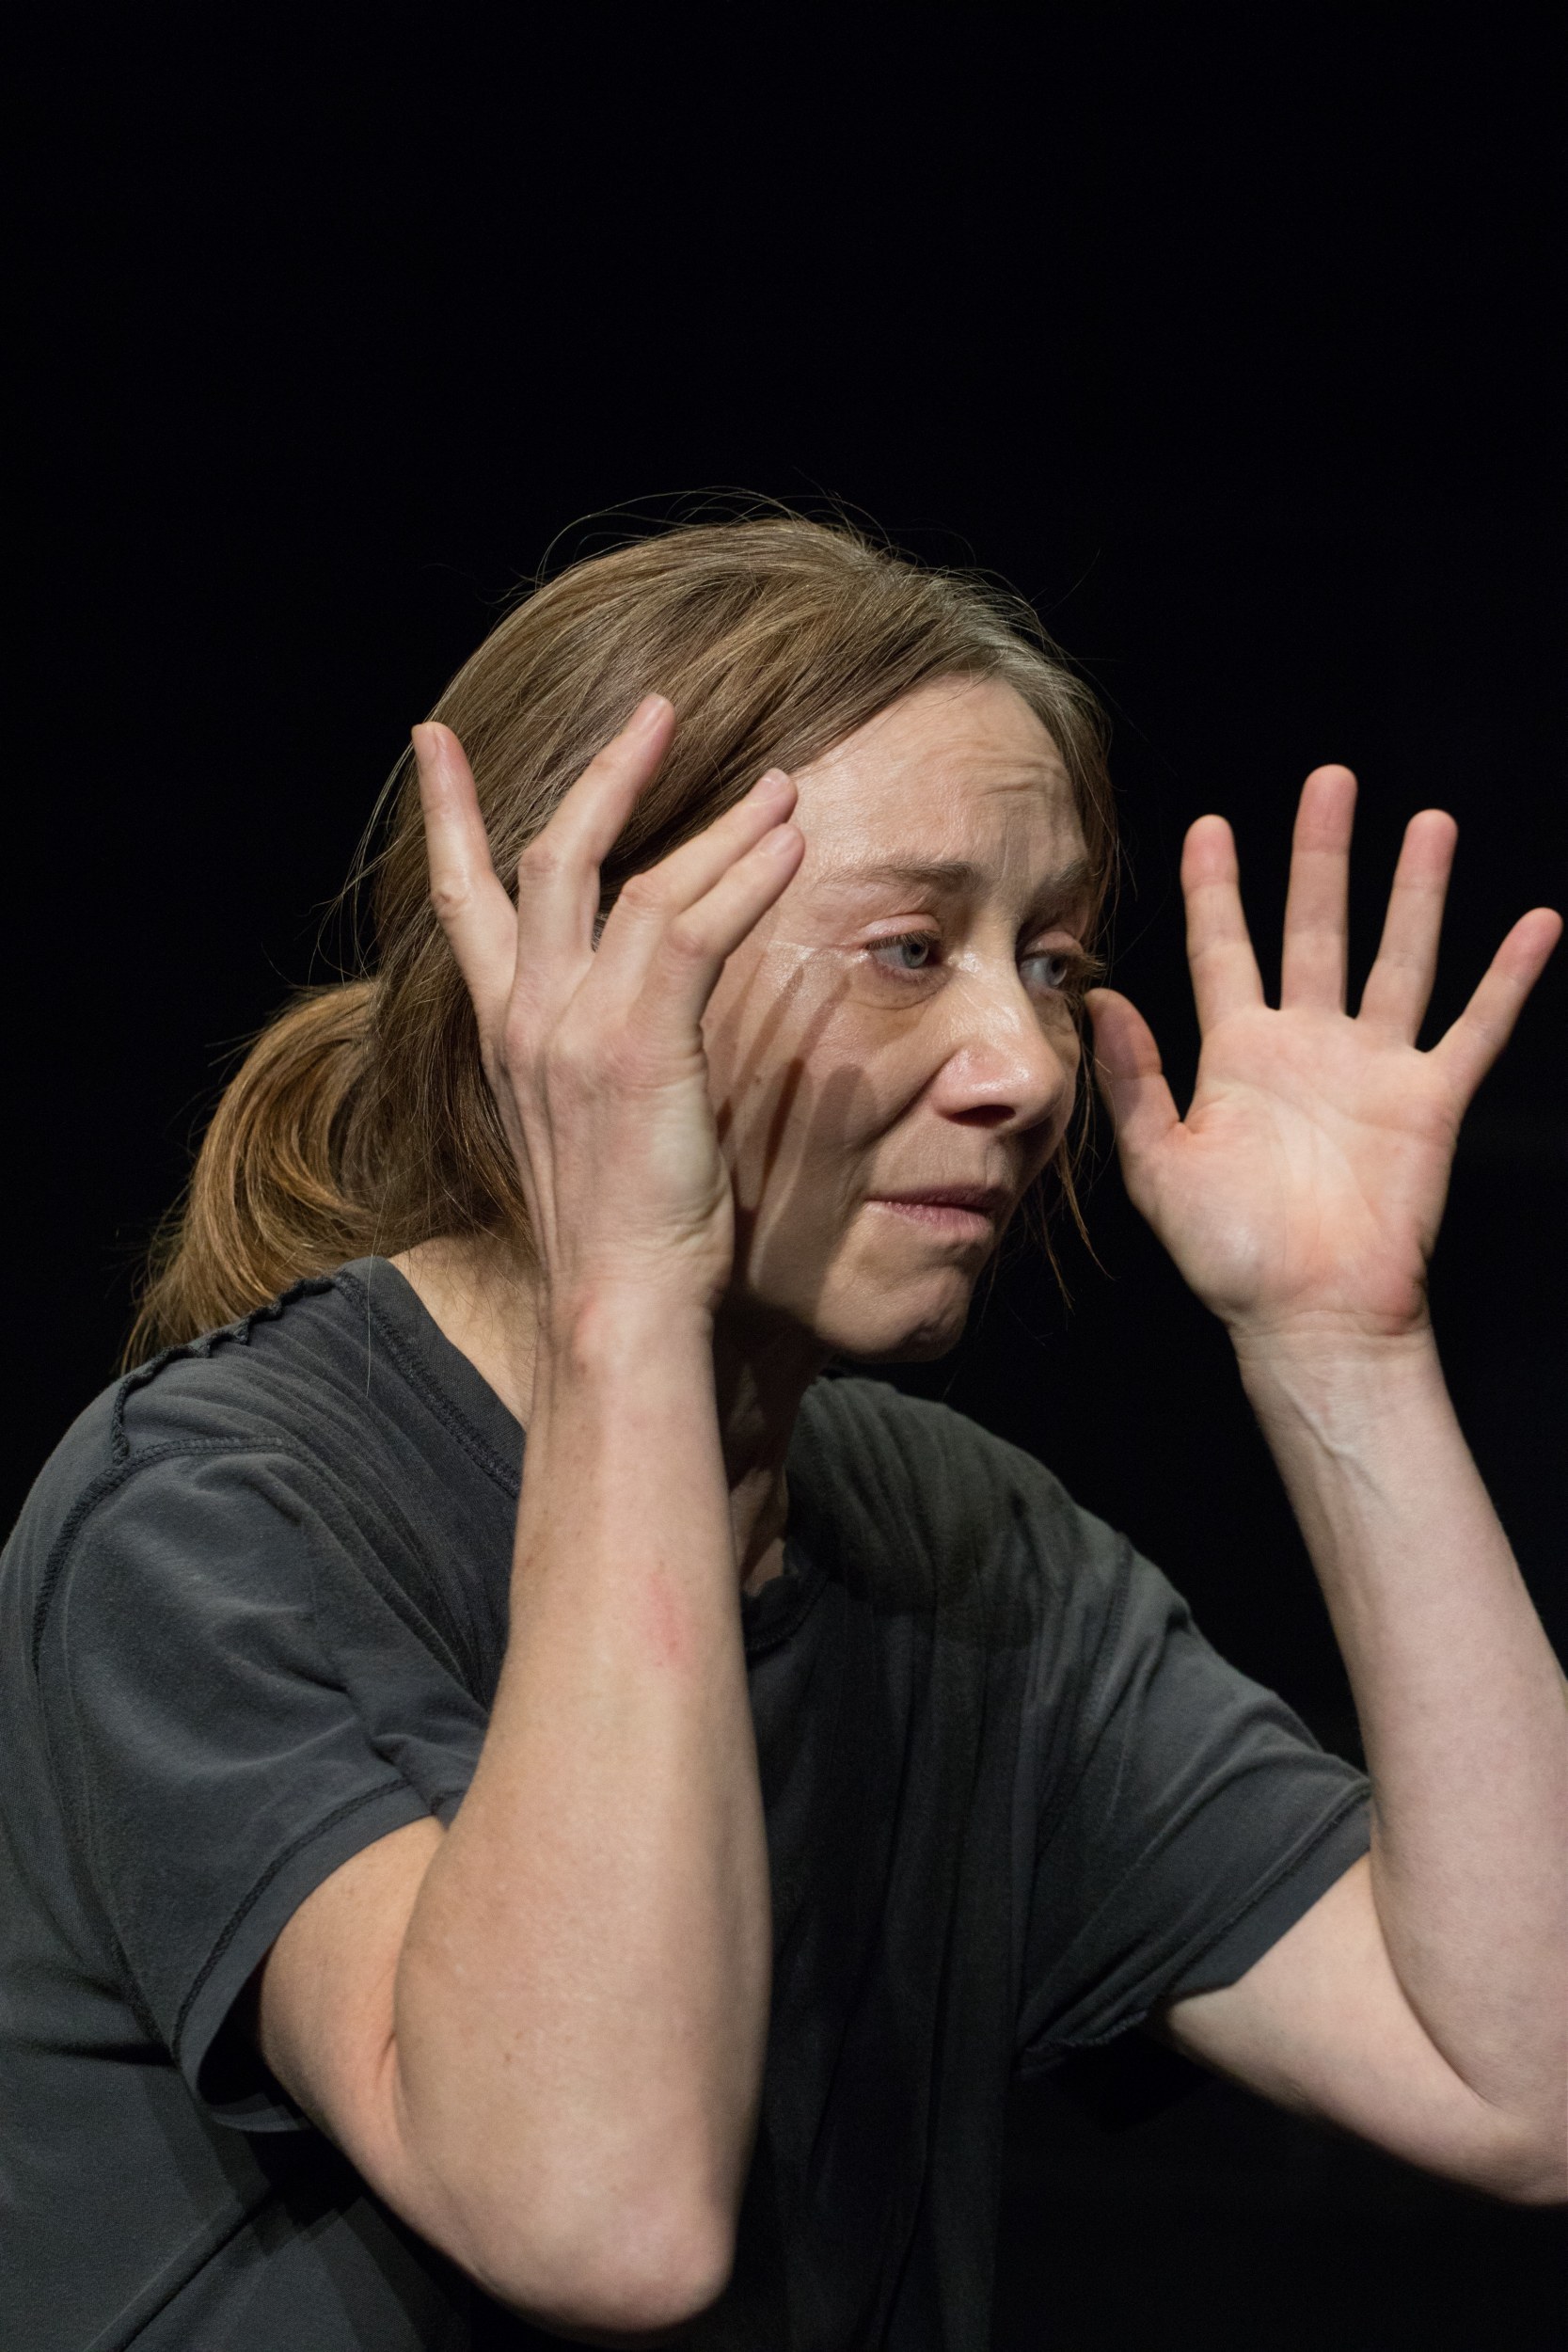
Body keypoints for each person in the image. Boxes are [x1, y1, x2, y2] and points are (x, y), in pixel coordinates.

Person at [2, 518, 1562, 2352]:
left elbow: (1520, 2071)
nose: (1027, 1064)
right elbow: (597, 2209)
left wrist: (1341, 1341)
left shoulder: (969, 1552)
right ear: (591, 970)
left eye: (1049, 960)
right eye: (910, 947)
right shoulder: (214, 1511)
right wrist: (631, 1286)